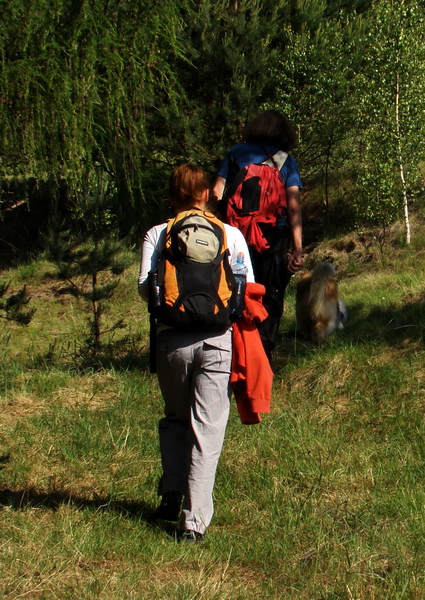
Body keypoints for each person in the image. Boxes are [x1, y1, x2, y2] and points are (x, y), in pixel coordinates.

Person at [138, 163, 254, 543]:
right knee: (208, 428)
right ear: (206, 194)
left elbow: (145, 288)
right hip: (217, 339)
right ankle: (193, 521)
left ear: (172, 197)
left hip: (171, 340)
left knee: (175, 417)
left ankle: (171, 489)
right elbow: (247, 287)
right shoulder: (230, 233)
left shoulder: (158, 233)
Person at [213, 109, 303, 356]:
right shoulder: (286, 160)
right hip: (273, 235)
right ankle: (263, 351)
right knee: (270, 291)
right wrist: (297, 247)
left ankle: (235, 346)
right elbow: (293, 205)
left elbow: (217, 192)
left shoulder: (235, 154)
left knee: (237, 288)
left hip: (236, 235)